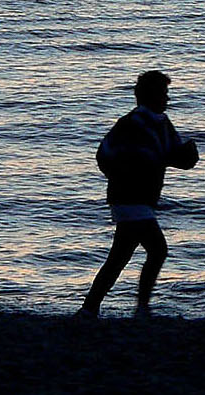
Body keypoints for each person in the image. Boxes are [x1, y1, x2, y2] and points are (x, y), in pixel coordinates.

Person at [77, 70, 198, 319]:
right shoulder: (131, 123)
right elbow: (106, 155)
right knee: (157, 250)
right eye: (163, 93)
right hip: (129, 197)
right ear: (150, 95)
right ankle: (141, 309)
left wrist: (188, 156)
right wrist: (126, 173)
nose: (167, 98)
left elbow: (171, 155)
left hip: (141, 199)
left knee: (119, 257)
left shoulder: (161, 123)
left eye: (167, 93)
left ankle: (90, 309)